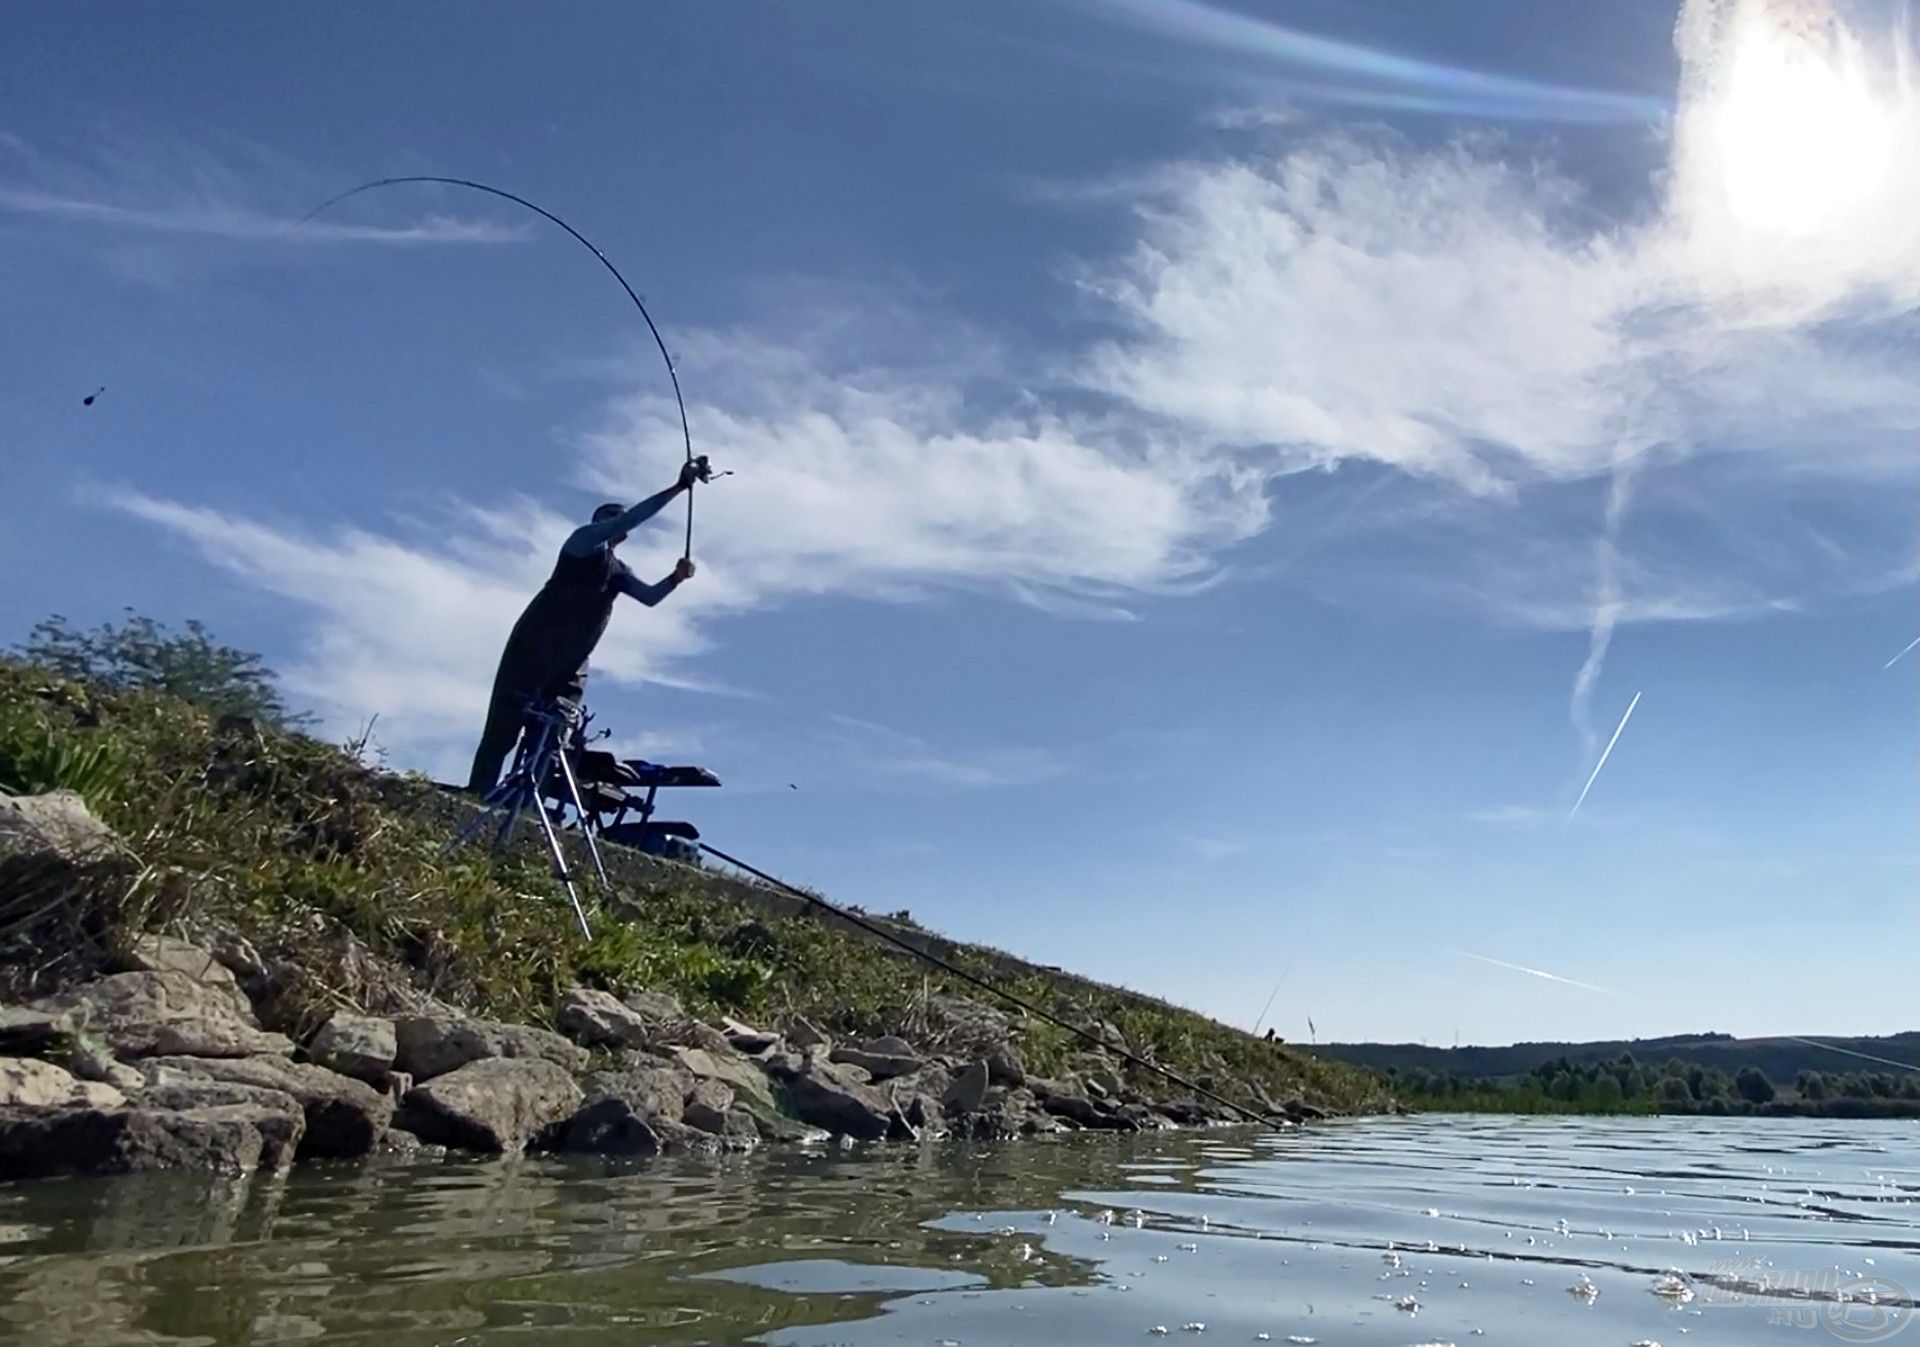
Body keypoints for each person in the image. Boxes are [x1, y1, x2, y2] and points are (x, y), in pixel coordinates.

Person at [466, 461, 703, 794]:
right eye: (609, 518)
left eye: (616, 521)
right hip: (533, 647)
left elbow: (649, 597)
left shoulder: (618, 570)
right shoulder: (580, 543)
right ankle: (478, 792)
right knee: (502, 730)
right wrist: (678, 487)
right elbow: (631, 518)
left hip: (573, 662)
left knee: (551, 740)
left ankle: (525, 804)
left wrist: (676, 579)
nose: (613, 524)